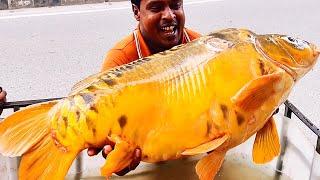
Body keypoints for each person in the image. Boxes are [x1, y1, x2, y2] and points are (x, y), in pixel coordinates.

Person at [88, 0, 202, 176]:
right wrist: (117, 158)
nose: (169, 15)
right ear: (136, 12)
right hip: (149, 164)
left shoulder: (201, 48)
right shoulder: (120, 59)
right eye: (156, 8)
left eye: (175, 5)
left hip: (195, 157)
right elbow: (109, 133)